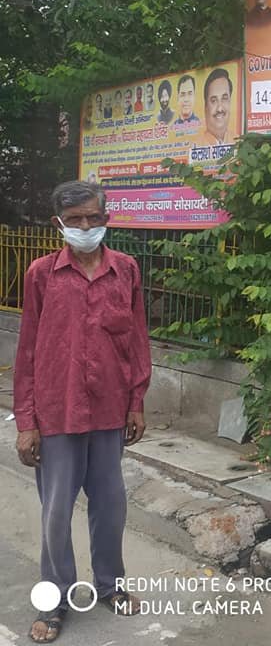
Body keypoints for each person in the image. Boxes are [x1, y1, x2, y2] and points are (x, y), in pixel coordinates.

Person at [14, 180, 151, 644]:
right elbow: (27, 351)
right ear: (59, 224)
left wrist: (137, 401)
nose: (86, 226)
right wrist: (27, 421)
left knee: (111, 506)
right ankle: (54, 600)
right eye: (75, 220)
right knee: (56, 513)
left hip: (111, 410)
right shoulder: (41, 274)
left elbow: (137, 340)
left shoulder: (126, 270)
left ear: (106, 219)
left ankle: (110, 585)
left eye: (94, 217)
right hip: (57, 412)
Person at [195, 68, 234, 146]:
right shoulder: (195, 147)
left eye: (224, 99)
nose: (220, 108)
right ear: (205, 107)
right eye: (214, 101)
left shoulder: (239, 142)